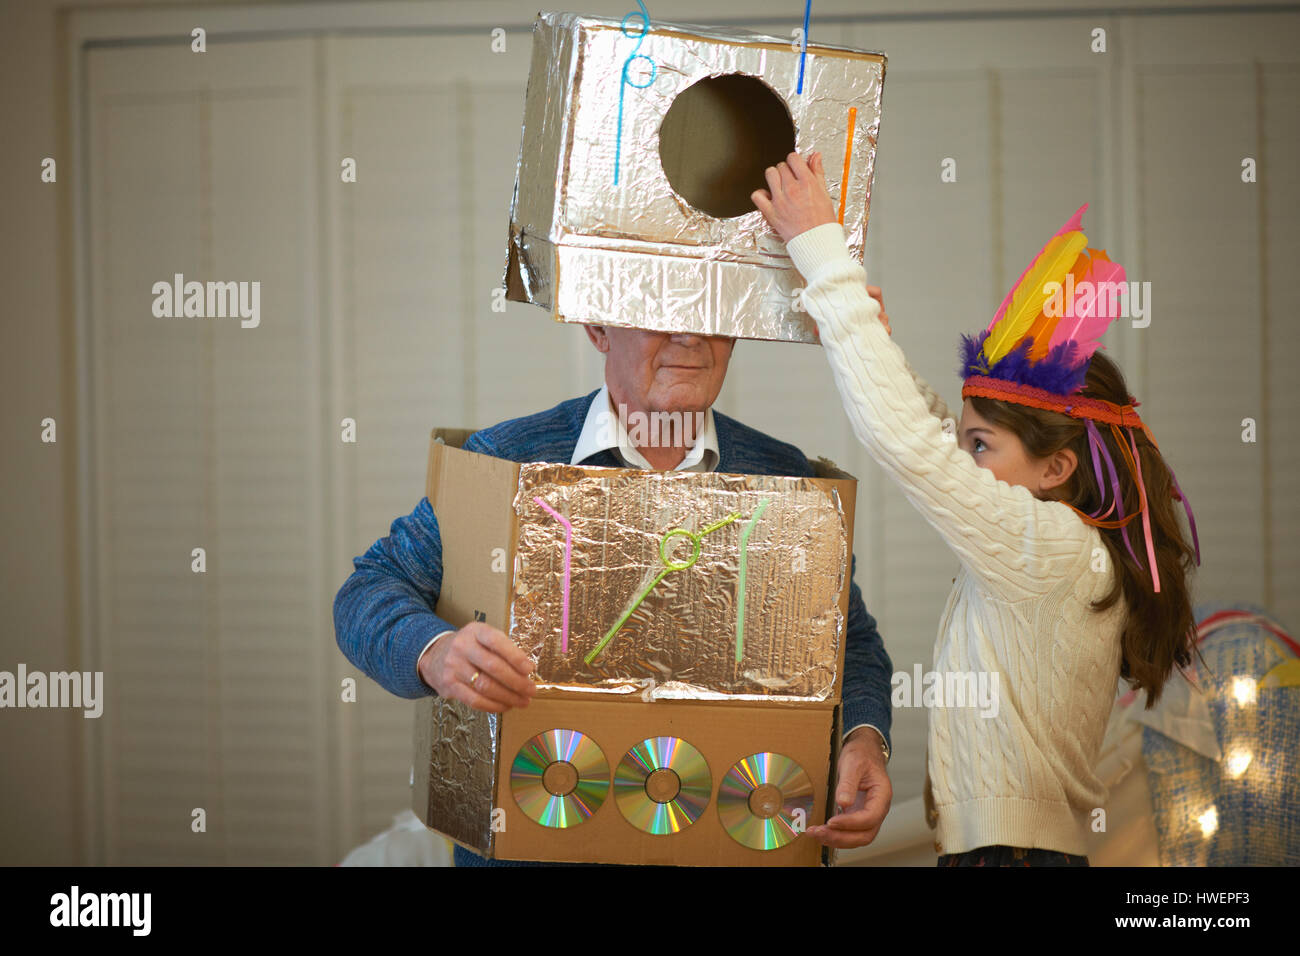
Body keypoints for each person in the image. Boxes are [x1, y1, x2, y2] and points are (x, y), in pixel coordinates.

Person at [752, 153, 1201, 865]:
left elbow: (911, 446)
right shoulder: (1055, 540)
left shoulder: (1051, 547)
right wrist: (860, 328)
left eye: (982, 445)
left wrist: (824, 256)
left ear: (1056, 468)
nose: (964, 463)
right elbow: (928, 432)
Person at [333, 320, 896, 866]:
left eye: (714, 315)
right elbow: (368, 590)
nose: (691, 336)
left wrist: (865, 737)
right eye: (660, 312)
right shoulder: (504, 459)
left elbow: (851, 643)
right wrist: (436, 652)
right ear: (598, 329)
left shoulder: (784, 476)